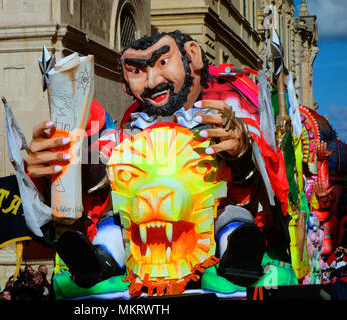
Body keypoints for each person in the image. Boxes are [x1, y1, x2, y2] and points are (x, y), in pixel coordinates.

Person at [27, 30, 290, 290]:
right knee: (112, 222)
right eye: (137, 71)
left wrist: (241, 156)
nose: (152, 81)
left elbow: (255, 192)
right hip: (140, 243)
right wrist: (59, 169)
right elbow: (96, 178)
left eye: (162, 63)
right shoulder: (123, 137)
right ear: (124, 82)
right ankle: (101, 260)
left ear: (193, 56)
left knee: (232, 218)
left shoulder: (221, 129)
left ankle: (238, 255)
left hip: (206, 238)